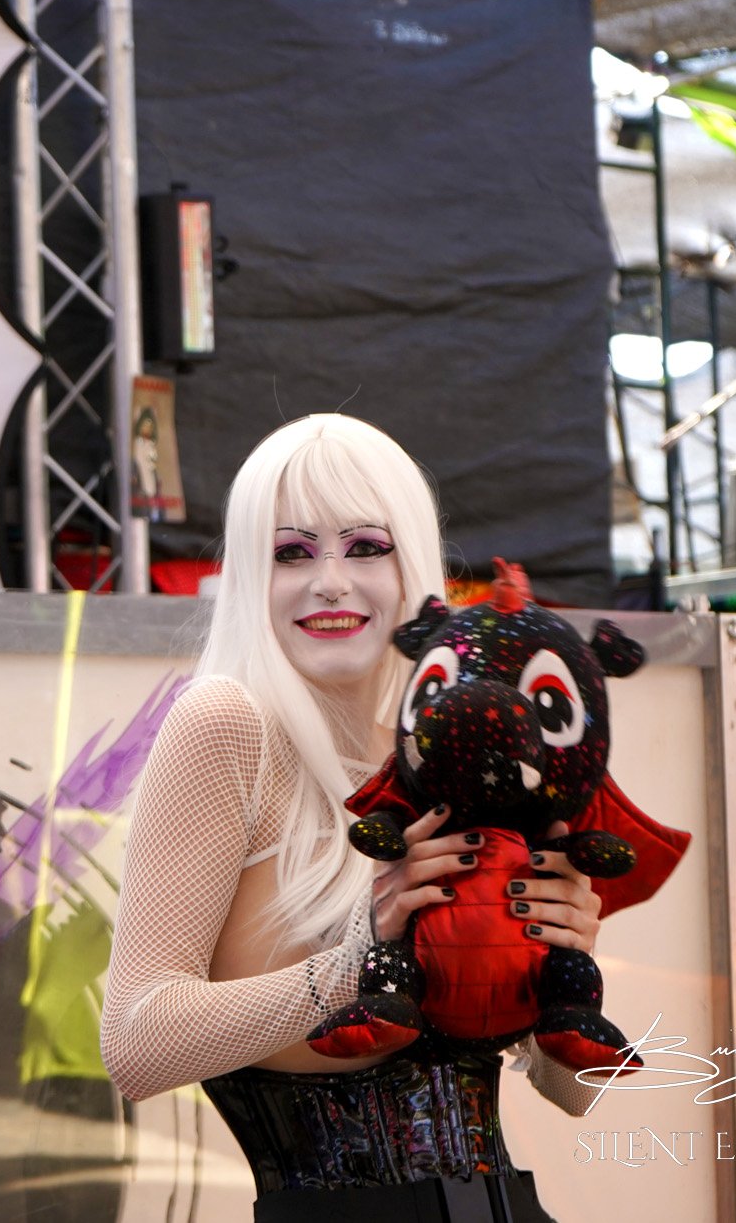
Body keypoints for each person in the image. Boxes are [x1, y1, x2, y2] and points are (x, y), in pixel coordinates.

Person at [100, 414, 602, 1222]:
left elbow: (576, 1092)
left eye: (366, 546)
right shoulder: (227, 725)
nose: (330, 581)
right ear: (249, 574)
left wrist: (566, 960)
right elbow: (137, 1040)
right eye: (291, 552)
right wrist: (361, 965)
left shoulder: (446, 754)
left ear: (414, 567)